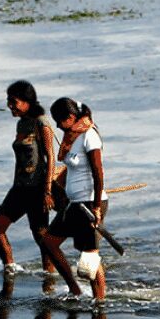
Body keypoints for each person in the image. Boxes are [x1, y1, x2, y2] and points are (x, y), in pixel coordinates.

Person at [0, 80, 58, 275]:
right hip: (19, 188)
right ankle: (9, 269)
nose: (10, 106)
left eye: (14, 101)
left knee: (40, 235)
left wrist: (47, 192)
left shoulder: (41, 123)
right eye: (8, 101)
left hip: (37, 188)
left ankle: (50, 275)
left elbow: (50, 157)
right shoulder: (22, 124)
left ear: (27, 101)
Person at [41, 97, 107, 301]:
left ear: (70, 117)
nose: (58, 126)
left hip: (89, 204)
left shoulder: (89, 136)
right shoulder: (72, 136)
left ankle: (100, 301)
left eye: (60, 121)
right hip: (74, 205)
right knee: (49, 242)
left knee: (89, 259)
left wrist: (96, 207)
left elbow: (98, 173)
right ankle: (75, 289)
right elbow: (71, 169)